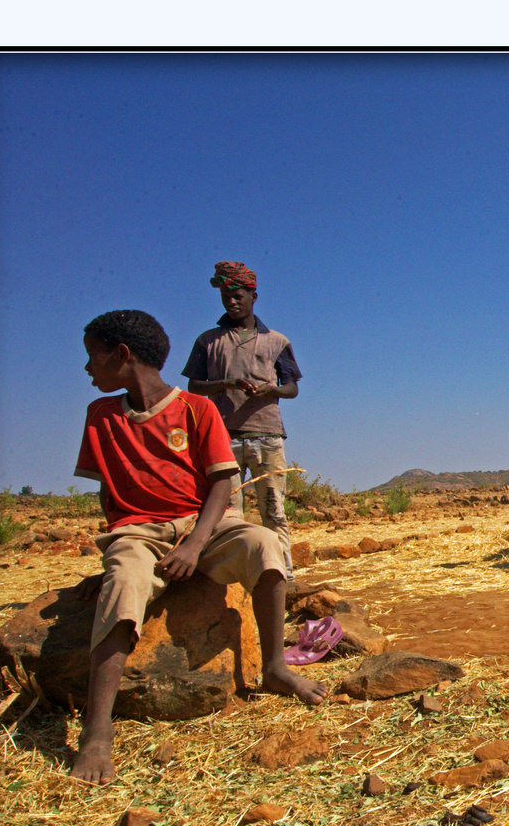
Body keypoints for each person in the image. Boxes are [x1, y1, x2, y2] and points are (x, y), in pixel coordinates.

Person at [70, 309, 327, 785]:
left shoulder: (195, 408)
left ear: (122, 355)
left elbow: (220, 485)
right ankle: (97, 729)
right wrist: (113, 559)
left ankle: (273, 667)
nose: (88, 369)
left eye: (93, 357)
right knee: (125, 581)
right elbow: (109, 493)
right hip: (139, 531)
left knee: (265, 543)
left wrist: (194, 545)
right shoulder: (101, 416)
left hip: (202, 523)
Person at [182, 261, 301, 578]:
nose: (232, 302)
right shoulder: (208, 341)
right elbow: (194, 386)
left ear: (253, 296)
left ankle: (282, 577)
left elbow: (291, 388)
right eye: (226, 297)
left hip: (268, 437)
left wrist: (268, 390)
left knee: (273, 512)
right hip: (222, 438)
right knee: (228, 514)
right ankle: (232, 580)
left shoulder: (276, 340)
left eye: (237, 295)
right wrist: (226, 384)